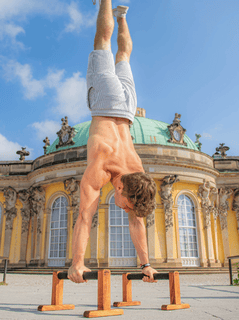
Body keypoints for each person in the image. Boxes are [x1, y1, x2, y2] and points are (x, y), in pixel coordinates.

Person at [67, 0, 158, 284]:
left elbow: (137, 219)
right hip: (106, 102)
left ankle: (121, 14)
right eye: (125, 203)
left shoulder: (137, 174)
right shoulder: (103, 167)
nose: (124, 208)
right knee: (102, 42)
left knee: (124, 56)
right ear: (119, 186)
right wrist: (77, 263)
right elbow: (84, 216)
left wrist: (146, 264)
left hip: (128, 110)